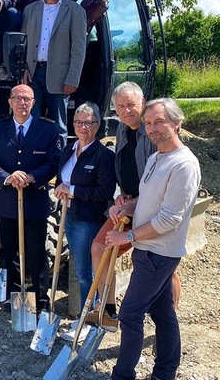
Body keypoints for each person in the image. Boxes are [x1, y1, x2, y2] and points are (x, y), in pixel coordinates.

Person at [105, 98, 201, 380]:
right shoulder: (156, 157)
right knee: (163, 314)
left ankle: (122, 375)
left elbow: (169, 219)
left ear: (176, 123)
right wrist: (127, 207)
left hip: (159, 253)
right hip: (147, 250)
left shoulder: (184, 165)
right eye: (148, 123)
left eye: (159, 122)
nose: (152, 128)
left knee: (130, 314)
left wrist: (128, 235)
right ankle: (165, 372)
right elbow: (148, 200)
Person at [86, 82, 182, 331]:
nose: (126, 111)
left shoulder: (153, 135)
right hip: (128, 204)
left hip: (152, 208)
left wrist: (134, 202)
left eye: (130, 105)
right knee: (100, 248)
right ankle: (108, 311)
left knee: (163, 268)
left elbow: (158, 186)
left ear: (142, 102)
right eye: (120, 107)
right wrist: (121, 195)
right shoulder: (122, 130)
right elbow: (124, 166)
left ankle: (168, 320)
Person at [0, 84, 61, 313]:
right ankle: (15, 295)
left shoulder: (48, 130)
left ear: (34, 102)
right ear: (10, 102)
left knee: (37, 251)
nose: (22, 103)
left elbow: (53, 162)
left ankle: (41, 297)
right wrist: (8, 178)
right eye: (17, 98)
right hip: (6, 200)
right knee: (10, 251)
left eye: (27, 99)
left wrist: (31, 176)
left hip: (34, 201)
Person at [53, 102, 116, 312]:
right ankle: (90, 313)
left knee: (84, 272)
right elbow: (63, 177)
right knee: (82, 271)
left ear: (97, 125)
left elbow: (104, 192)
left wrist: (73, 190)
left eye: (88, 123)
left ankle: (88, 315)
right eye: (78, 122)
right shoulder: (69, 149)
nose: (82, 127)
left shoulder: (103, 156)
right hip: (69, 215)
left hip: (88, 221)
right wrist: (62, 190)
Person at [21, 0, 87, 142]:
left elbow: (78, 49)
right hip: (33, 75)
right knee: (31, 122)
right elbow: (22, 43)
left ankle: (59, 164)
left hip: (60, 76)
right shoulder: (30, 10)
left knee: (58, 126)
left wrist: (73, 78)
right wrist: (22, 68)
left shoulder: (75, 10)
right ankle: (32, 163)